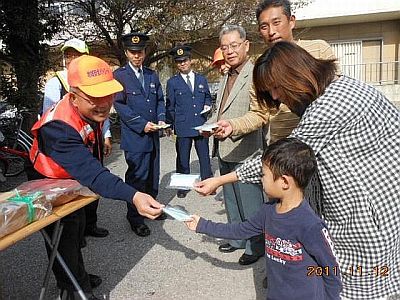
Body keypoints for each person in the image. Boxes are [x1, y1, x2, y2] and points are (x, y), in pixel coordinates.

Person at [215, 41, 400, 299]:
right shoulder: (344, 86)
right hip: (382, 204)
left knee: (355, 285)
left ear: (295, 73)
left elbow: (283, 157)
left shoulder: (329, 106)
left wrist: (223, 179)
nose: (277, 97)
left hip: (365, 218)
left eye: (277, 88)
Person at [29, 55, 164, 300]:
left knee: (78, 228)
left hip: (73, 177)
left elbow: (93, 159)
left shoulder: (87, 110)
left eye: (108, 95)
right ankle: (76, 290)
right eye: (95, 97)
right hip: (49, 180)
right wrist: (133, 195)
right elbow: (94, 174)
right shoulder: (58, 128)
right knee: (64, 239)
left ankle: (78, 275)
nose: (104, 104)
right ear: (73, 97)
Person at [186, 138, 342, 299]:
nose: (261, 179)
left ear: (284, 182)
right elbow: (240, 230)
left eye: (263, 175)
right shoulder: (268, 211)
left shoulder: (310, 225)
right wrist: (202, 225)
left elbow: (331, 269)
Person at [213, 0, 337, 144]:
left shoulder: (319, 49)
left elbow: (334, 97)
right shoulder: (261, 67)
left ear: (291, 21)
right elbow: (260, 113)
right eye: (264, 27)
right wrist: (233, 125)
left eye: (276, 22)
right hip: (282, 146)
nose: (271, 32)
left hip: (322, 140)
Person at [204, 25, 266, 266]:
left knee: (250, 203)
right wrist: (207, 126)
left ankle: (255, 245)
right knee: (231, 199)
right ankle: (237, 239)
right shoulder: (226, 74)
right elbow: (220, 111)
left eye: (234, 45)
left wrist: (231, 125)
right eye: (224, 47)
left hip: (247, 149)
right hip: (224, 146)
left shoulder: (255, 74)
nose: (229, 51)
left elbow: (259, 114)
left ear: (246, 45)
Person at [43, 38, 112, 239]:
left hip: (93, 138)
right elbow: (51, 114)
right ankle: (76, 233)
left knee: (95, 177)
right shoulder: (56, 82)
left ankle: (90, 224)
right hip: (72, 141)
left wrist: (106, 136)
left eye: (76, 55)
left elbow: (102, 113)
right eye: (68, 54)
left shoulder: (91, 78)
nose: (71, 58)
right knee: (77, 184)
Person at [113, 32, 167, 237]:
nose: (137, 56)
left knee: (153, 175)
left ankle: (151, 207)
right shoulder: (120, 75)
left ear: (145, 52)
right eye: (133, 52)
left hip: (153, 135)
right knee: (137, 177)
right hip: (136, 137)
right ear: (127, 53)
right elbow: (119, 105)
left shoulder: (152, 75)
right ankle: (135, 217)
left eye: (140, 52)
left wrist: (161, 118)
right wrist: (142, 124)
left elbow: (160, 100)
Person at [166, 45, 213, 198]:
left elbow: (207, 96)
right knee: (183, 158)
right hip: (182, 125)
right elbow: (170, 105)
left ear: (190, 61)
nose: (182, 64)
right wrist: (170, 125)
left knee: (204, 156)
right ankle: (183, 185)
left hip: (200, 123)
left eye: (185, 60)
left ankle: (208, 183)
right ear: (176, 64)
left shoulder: (201, 79)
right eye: (179, 62)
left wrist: (208, 105)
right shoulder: (172, 83)